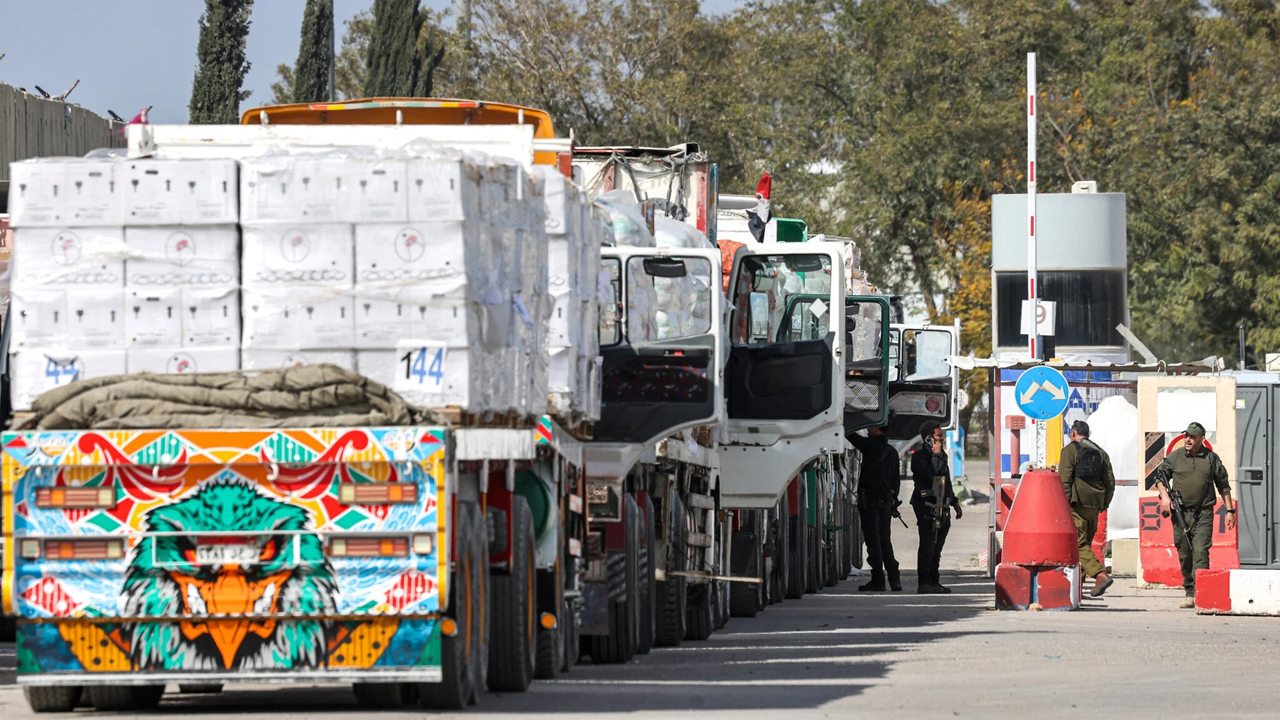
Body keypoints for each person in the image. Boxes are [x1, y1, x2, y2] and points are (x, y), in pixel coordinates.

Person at [1155, 422, 1235, 609]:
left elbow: (1223, 486)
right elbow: (1159, 477)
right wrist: (1165, 497)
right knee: (1184, 554)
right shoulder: (1175, 457)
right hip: (1180, 513)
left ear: (1202, 439)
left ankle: (1201, 593)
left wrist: (1230, 511)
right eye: (1186, 436)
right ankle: (1190, 592)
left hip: (1204, 514)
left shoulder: (1211, 459)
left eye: (1192, 437)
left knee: (1200, 551)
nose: (1187, 439)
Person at [1057, 420, 1116, 598]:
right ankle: (1077, 587)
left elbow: (1064, 480)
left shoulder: (1069, 450)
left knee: (1078, 544)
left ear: (1074, 433)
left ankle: (1100, 575)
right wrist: (1103, 504)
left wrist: (1064, 506)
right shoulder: (1101, 453)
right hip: (1095, 506)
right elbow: (1110, 482)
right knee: (1085, 545)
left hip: (1076, 504)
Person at [910, 421, 962, 594]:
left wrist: (954, 502)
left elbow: (945, 479)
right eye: (939, 436)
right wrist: (936, 454)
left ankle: (934, 580)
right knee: (927, 544)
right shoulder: (919, 457)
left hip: (943, 505)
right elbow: (933, 473)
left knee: (937, 546)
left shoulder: (941, 455)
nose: (942, 439)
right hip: (926, 506)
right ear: (929, 439)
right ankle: (924, 582)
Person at [849, 425, 902, 592]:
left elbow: (852, 437)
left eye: (871, 426)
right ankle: (894, 580)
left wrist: (848, 423)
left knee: (873, 542)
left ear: (878, 429)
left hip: (870, 503)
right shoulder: (892, 452)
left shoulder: (870, 446)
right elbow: (896, 481)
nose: (868, 429)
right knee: (885, 541)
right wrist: (892, 499)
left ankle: (878, 580)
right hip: (886, 503)